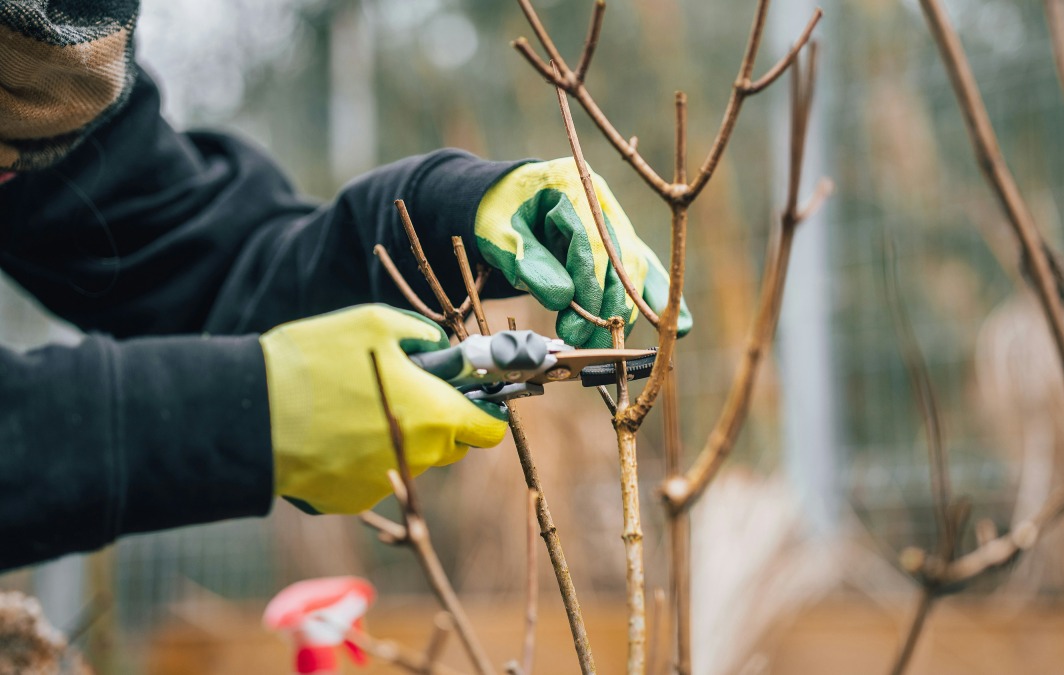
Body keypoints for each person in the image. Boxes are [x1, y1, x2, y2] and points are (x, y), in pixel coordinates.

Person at [0, 2, 690, 571]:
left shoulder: (45, 63)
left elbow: (209, 267)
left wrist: (447, 212)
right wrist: (245, 413)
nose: (14, 164)